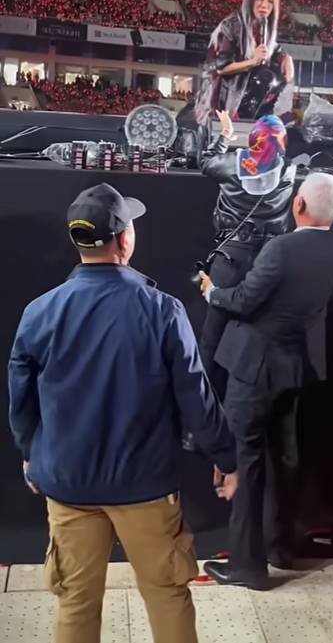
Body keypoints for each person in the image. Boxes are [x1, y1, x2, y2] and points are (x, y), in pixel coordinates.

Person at [8, 183, 238, 643]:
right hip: (145, 487)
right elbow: (196, 396)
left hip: (69, 483)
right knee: (167, 595)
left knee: (76, 601)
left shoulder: (40, 312)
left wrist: (31, 452)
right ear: (124, 240)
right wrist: (227, 459)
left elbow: (21, 396)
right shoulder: (163, 311)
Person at [198, 172, 333, 590]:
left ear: (297, 204)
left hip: (255, 370)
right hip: (293, 369)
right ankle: (279, 547)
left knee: (247, 463)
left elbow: (245, 300)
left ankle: (247, 567)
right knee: (282, 458)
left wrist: (211, 292)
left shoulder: (281, 248)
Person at [199, 109, 296, 394]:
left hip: (231, 256)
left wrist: (225, 135)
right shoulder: (288, 170)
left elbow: (205, 162)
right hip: (269, 260)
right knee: (257, 335)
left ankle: (203, 407)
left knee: (212, 338)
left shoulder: (232, 164)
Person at [195, 0, 294, 126]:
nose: (264, 5)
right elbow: (221, 68)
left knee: (274, 73)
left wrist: (286, 57)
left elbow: (274, 49)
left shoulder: (263, 28)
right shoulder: (231, 26)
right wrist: (252, 62)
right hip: (222, 98)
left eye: (270, 1)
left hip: (246, 99)